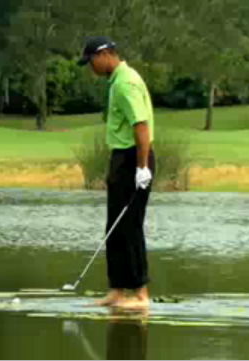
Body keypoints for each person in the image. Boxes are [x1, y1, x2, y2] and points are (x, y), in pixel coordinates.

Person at [78, 36, 155, 309]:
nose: (91, 68)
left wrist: (142, 168)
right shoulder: (116, 81)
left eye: (91, 62)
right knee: (115, 227)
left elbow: (141, 126)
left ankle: (140, 294)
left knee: (130, 226)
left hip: (133, 158)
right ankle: (118, 291)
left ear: (105, 55)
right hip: (121, 158)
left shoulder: (126, 83)